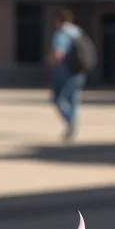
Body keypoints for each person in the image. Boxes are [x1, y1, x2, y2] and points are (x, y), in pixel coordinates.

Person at [48, 8, 85, 141]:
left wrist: (51, 61)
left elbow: (59, 54)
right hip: (79, 70)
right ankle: (72, 123)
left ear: (59, 21)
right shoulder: (77, 31)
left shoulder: (62, 33)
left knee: (58, 99)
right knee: (73, 99)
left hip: (66, 71)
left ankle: (70, 121)